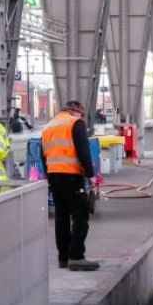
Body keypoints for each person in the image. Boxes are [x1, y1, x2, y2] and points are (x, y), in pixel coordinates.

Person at [41, 101, 99, 271]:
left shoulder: (48, 127)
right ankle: (77, 256)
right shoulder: (75, 123)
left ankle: (64, 258)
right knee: (80, 215)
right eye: (82, 115)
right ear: (77, 111)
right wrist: (91, 176)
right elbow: (84, 152)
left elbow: (43, 156)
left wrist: (50, 180)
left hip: (54, 176)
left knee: (62, 217)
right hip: (72, 176)